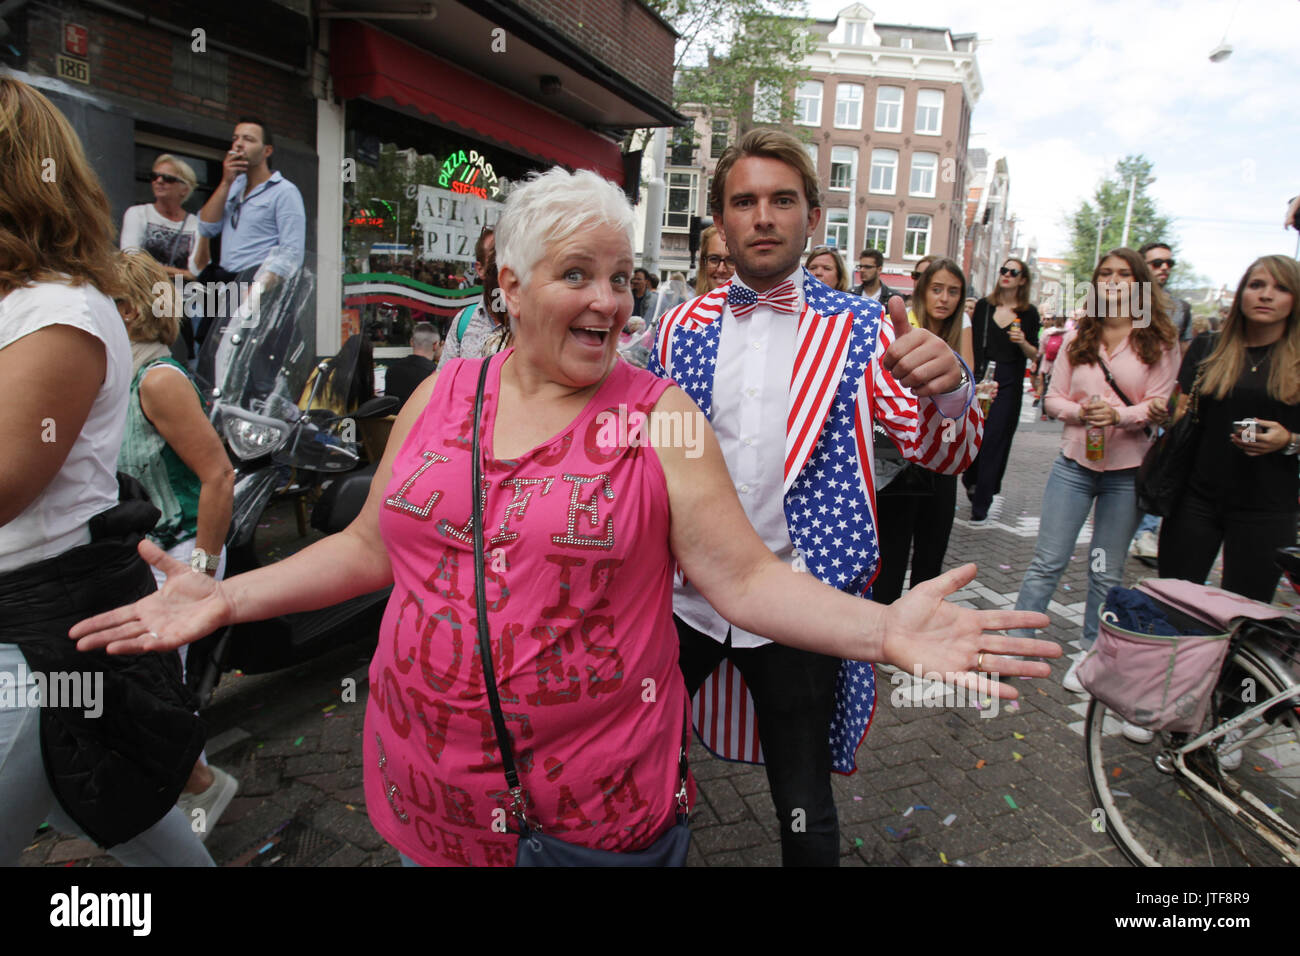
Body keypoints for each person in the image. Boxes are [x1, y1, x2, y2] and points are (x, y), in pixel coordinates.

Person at [70, 164, 1056, 868]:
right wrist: (225, 595)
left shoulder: (658, 416)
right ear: (508, 285)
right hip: (430, 797)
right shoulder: (441, 395)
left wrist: (883, 627)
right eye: (577, 275)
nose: (611, 303)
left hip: (592, 820)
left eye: (621, 277)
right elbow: (369, 546)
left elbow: (742, 575)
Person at [648, 129, 995, 866]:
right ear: (721, 218)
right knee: (642, 767)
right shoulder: (683, 326)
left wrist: (951, 390)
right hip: (685, 598)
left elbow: (944, 452)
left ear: (812, 216)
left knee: (803, 802)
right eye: (744, 201)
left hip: (800, 601)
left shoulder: (862, 328)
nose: (763, 217)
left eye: (782, 200)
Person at [0, 76, 212, 867]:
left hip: (40, 631)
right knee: (124, 808)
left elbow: (215, 475)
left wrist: (208, 569)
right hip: (70, 623)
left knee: (114, 788)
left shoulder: (61, 318)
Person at [1012, 248, 1180, 726]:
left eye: (1124, 275)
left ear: (1140, 284)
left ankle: (1091, 653)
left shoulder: (1159, 341)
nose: (1113, 282)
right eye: (1104, 273)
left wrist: (1121, 415)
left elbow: (1160, 402)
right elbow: (1053, 397)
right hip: (1075, 463)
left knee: (1105, 569)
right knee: (1048, 558)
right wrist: (1081, 411)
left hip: (1127, 469)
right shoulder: (1078, 336)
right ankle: (1018, 641)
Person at [113, 250, 238, 839]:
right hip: (137, 553)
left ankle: (201, 789)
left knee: (159, 685)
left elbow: (218, 476)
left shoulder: (157, 379)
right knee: (146, 682)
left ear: (130, 310)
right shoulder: (110, 374)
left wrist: (202, 569)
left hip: (180, 550)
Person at [1158, 254, 1300, 603]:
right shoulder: (1210, 347)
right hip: (1197, 498)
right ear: (1241, 295)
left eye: (1281, 288)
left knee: (1245, 612)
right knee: (1174, 603)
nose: (1266, 295)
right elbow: (1182, 413)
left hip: (1267, 507)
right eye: (1256, 285)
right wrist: (1161, 412)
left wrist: (1290, 441)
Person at [873, 258, 976, 606]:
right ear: (921, 290)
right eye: (936, 289)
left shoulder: (962, 324)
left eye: (953, 291)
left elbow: (967, 382)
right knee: (891, 552)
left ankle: (922, 625)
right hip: (896, 459)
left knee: (932, 552)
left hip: (942, 456)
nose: (944, 298)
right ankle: (883, 634)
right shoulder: (899, 326)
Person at [1128, 241, 1194, 562]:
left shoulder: (1180, 308)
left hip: (1165, 401)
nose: (1164, 268)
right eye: (1155, 263)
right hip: (1125, 401)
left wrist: (1179, 401)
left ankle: (1146, 530)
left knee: (1160, 462)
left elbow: (1185, 356)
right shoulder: (1121, 303)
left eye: (1169, 263)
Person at [963, 257, 1041, 521]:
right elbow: (972, 343)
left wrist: (1023, 342)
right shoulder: (985, 306)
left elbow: (1035, 354)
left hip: (1009, 380)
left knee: (995, 438)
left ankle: (982, 500)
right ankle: (973, 481)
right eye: (1003, 270)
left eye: (1013, 271)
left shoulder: (1029, 313)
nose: (1006, 274)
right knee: (976, 433)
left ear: (1022, 279)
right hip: (983, 375)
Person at [121, 153, 206, 362]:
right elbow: (130, 256)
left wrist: (151, 266)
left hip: (183, 308)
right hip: (144, 301)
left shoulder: (196, 223)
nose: (159, 181)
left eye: (167, 178)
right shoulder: (138, 213)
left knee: (190, 354)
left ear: (184, 188)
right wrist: (179, 272)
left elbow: (196, 271)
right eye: (154, 176)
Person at [197, 118, 305, 281]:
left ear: (267, 151)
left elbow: (292, 252)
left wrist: (258, 289)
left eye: (248, 139)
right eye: (236, 138)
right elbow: (206, 228)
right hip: (225, 281)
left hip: (255, 281)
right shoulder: (235, 185)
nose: (239, 144)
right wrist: (225, 183)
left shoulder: (284, 191)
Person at [440, 227, 498, 367]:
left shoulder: (530, 322)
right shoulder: (465, 321)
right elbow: (443, 381)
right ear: (480, 269)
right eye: (494, 255)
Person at [385, 321, 440, 409]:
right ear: (435, 345)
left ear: (411, 342)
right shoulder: (435, 375)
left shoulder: (392, 370)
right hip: (421, 422)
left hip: (392, 422)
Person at [696, 225, 735, 295]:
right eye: (714, 259)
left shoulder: (758, 305)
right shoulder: (690, 305)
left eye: (731, 260)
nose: (721, 270)